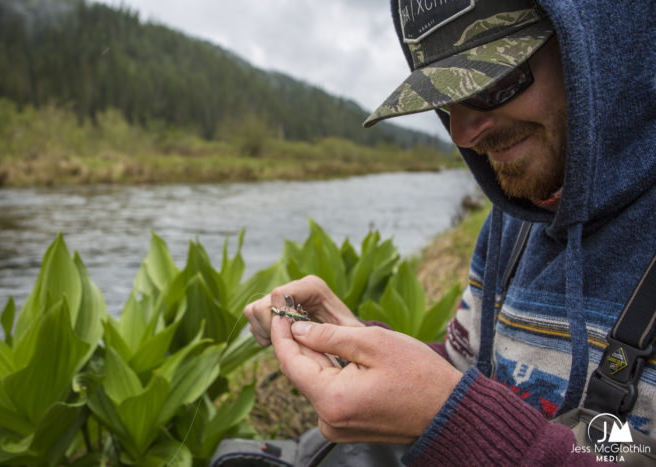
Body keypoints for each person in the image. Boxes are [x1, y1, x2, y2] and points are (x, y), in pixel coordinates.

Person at [244, 0, 656, 464]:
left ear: (604, 48)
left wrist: (450, 419)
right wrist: (355, 344)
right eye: (446, 98)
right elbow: (469, 373)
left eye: (493, 81)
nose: (461, 132)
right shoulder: (510, 225)